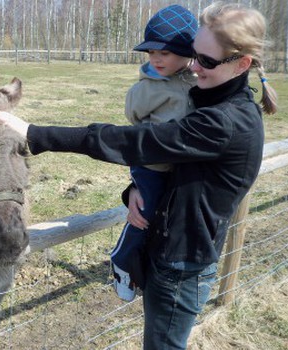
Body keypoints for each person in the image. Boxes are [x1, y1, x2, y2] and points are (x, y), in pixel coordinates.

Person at [0, 2, 278, 349]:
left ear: (242, 63)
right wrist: (134, 191)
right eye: (193, 55)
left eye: (205, 60)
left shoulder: (222, 122)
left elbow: (137, 141)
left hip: (181, 264)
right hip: (175, 249)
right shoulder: (214, 102)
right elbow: (182, 168)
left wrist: (34, 133)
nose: (194, 67)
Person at [111, 4, 198, 302]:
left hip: (179, 165)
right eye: (152, 53)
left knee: (167, 215)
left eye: (166, 53)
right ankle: (121, 259)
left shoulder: (195, 80)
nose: (157, 59)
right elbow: (133, 115)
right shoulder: (149, 87)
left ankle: (147, 262)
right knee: (144, 213)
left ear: (188, 53)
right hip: (151, 164)